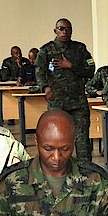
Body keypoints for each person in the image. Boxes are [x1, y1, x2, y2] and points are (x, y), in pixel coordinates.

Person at [34, 18, 95, 159]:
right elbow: (39, 71)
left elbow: (91, 69)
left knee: (82, 142)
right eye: (61, 29)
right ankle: (59, 168)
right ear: (55, 31)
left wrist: (71, 66)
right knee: (57, 140)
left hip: (78, 103)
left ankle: (85, 169)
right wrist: (45, 87)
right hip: (57, 102)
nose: (64, 32)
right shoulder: (46, 50)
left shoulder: (80, 49)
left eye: (68, 29)